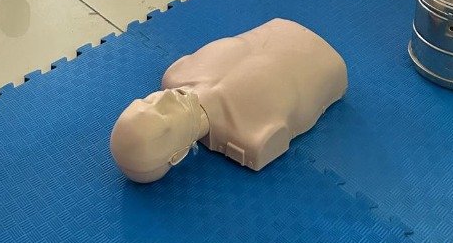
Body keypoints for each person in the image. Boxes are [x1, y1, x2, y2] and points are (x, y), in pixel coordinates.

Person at [110, 19, 347, 183]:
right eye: (163, 115)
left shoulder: (177, 73)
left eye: (147, 101)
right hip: (325, 60)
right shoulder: (252, 135)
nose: (163, 99)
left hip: (277, 31)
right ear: (178, 155)